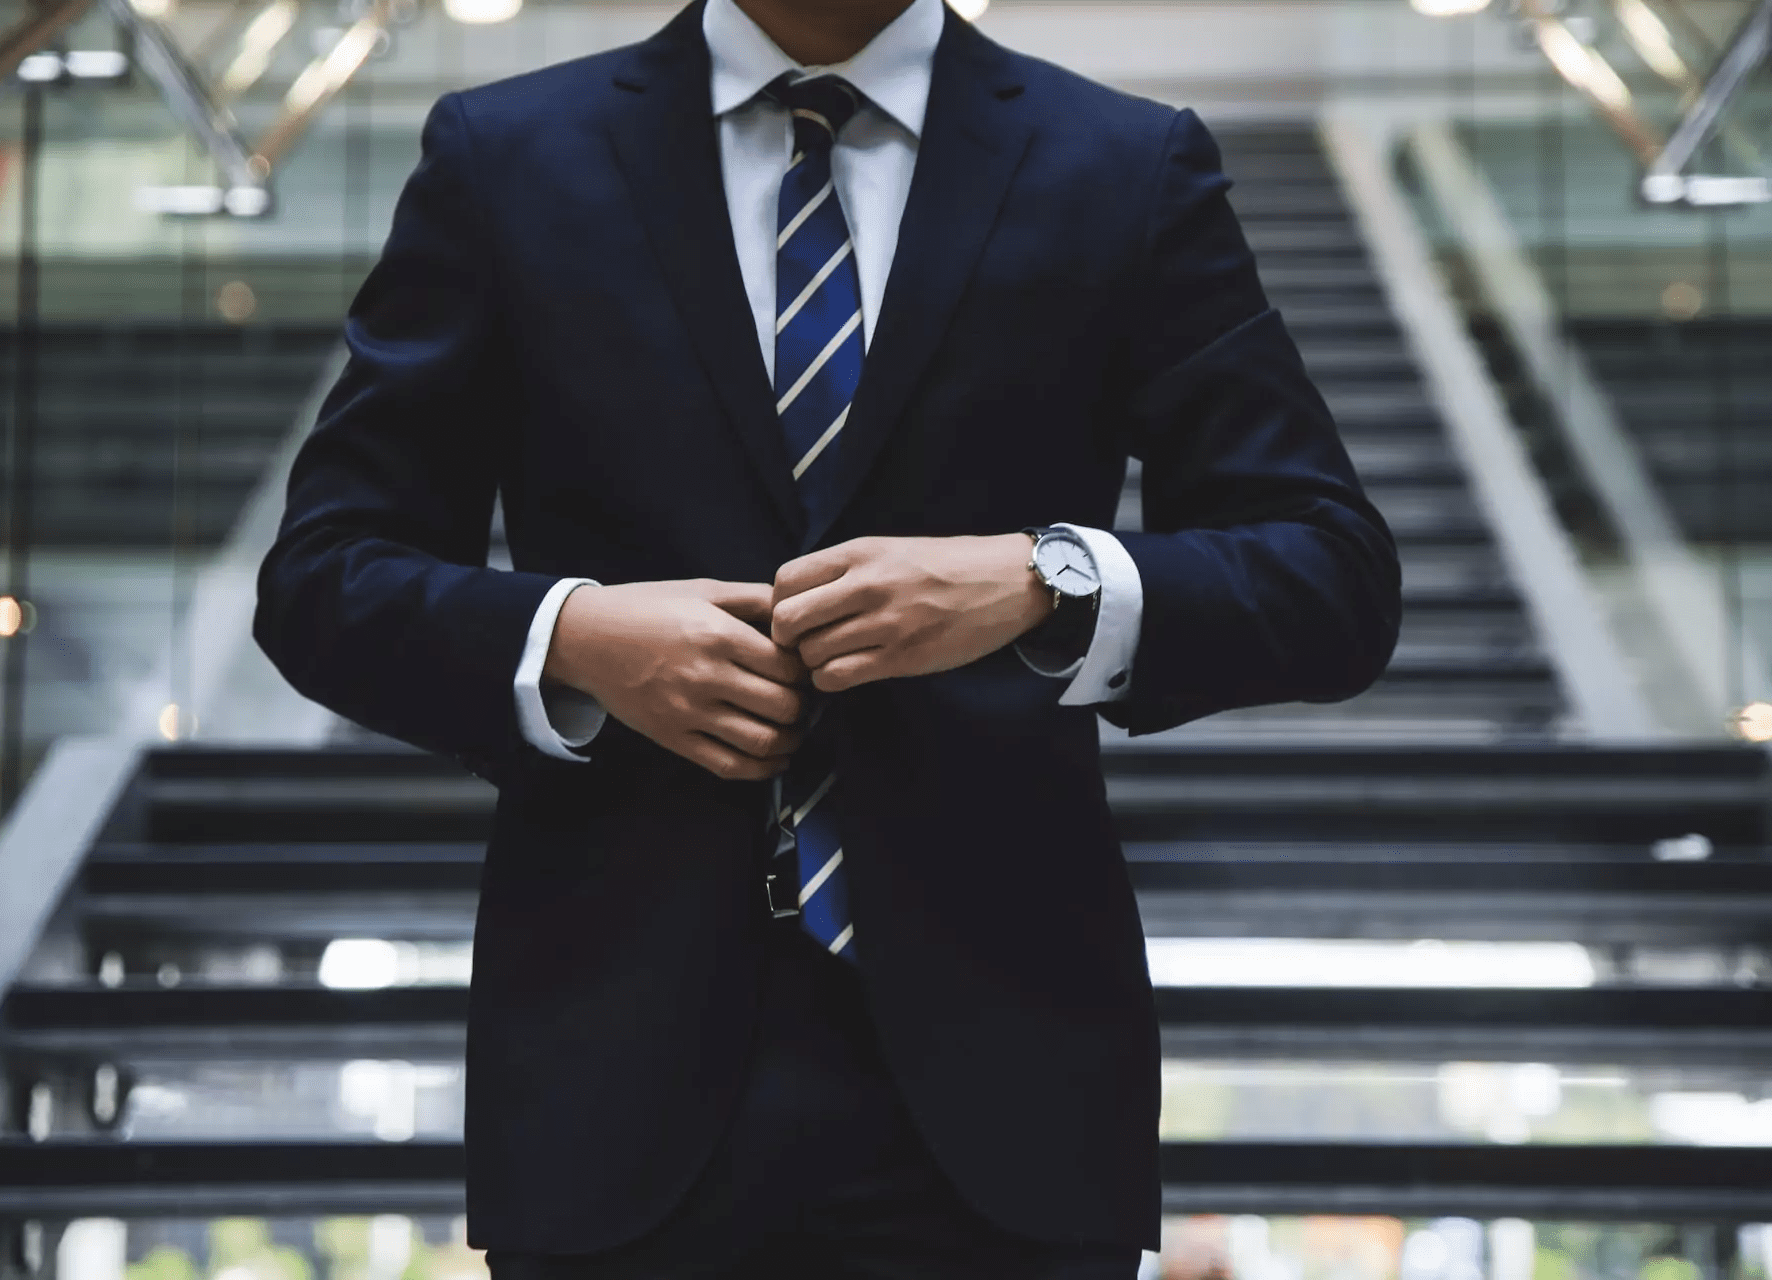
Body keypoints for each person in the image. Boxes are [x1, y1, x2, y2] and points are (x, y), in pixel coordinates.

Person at [252, 0, 1401, 1273]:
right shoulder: (507, 155)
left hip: (1006, 1095)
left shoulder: (1124, 163)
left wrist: (1044, 578)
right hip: (613, 1081)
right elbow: (321, 576)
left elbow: (1330, 573)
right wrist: (571, 634)